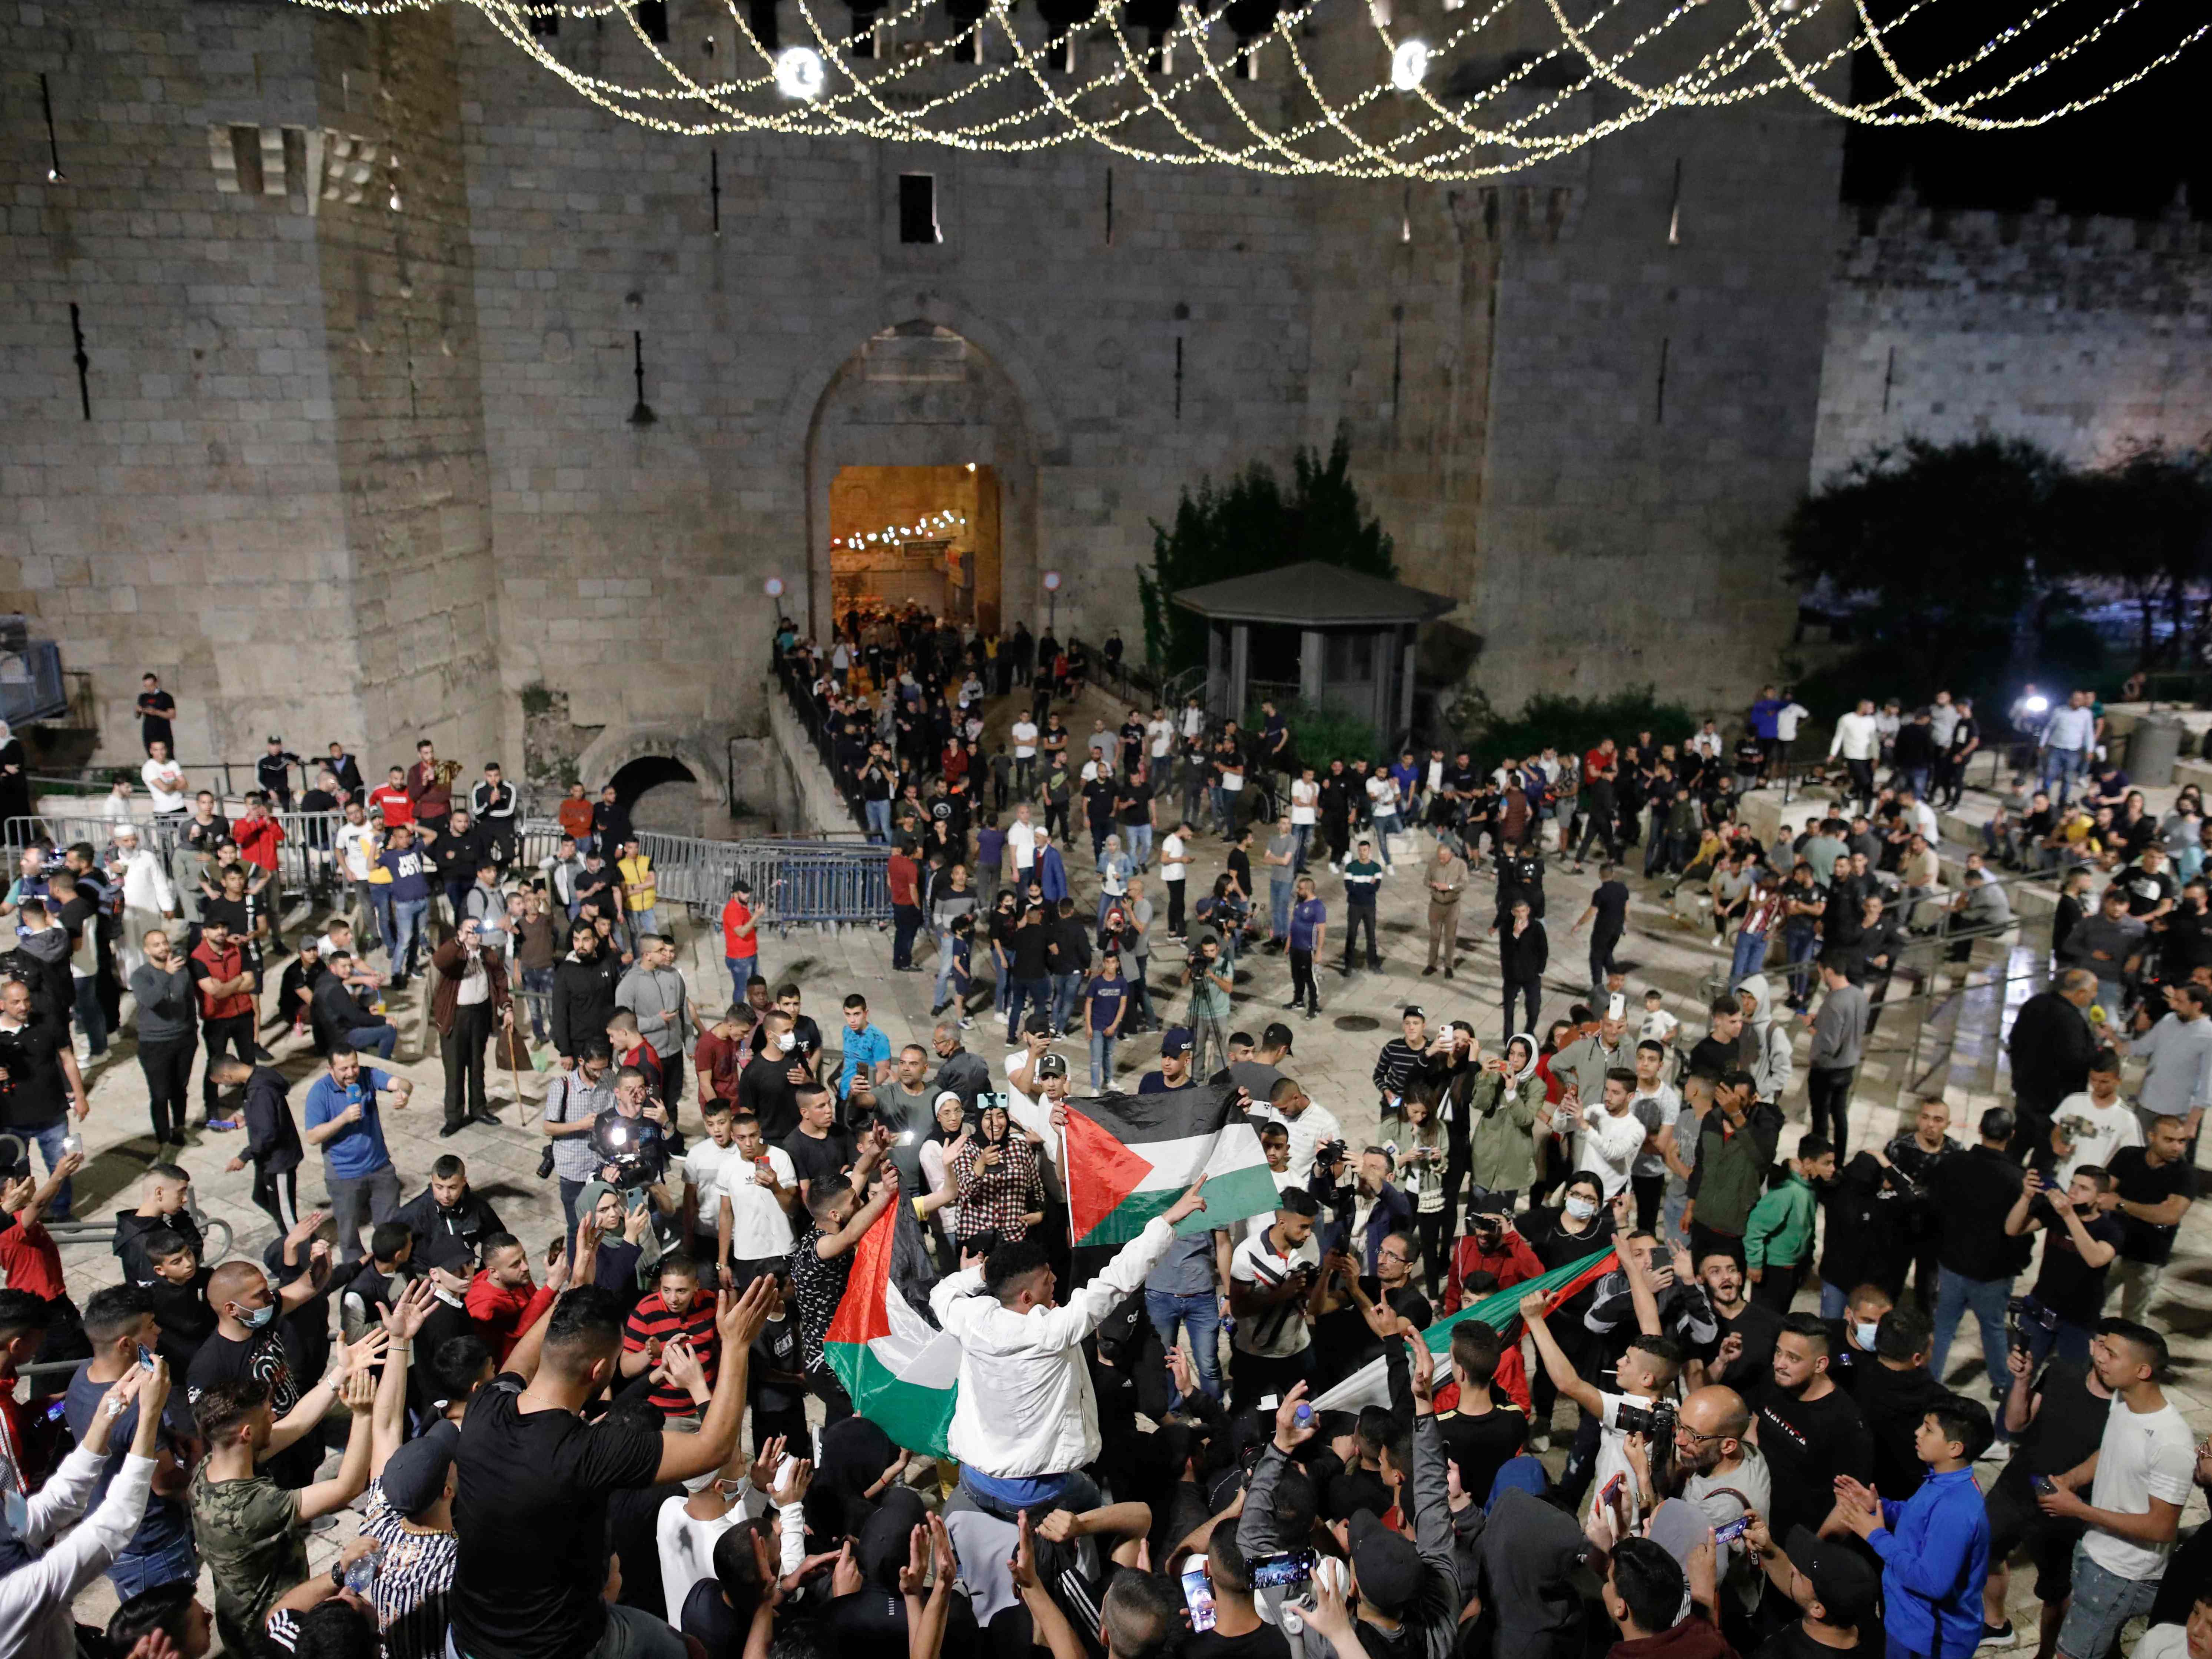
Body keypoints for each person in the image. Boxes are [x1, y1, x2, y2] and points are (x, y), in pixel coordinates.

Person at [450, 1276, 774, 1659]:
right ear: (600, 1370)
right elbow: (715, 1447)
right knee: (689, 1651)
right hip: (558, 1647)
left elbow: (520, 1358)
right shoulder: (588, 1451)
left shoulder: (485, 1405)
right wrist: (737, 1345)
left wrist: (572, 1297)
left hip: (466, 1637)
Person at [931, 1178, 1208, 1517]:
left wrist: (984, 1273)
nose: (1056, 1282)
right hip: (1033, 1492)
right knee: (1102, 1505)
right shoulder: (1052, 1330)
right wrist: (1166, 1222)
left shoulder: (971, 1317)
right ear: (1027, 1298)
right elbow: (1116, 1281)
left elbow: (941, 1293)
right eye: (1048, 1279)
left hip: (975, 1478)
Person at [190, 1359, 378, 1655]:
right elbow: (348, 1487)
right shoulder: (255, 1507)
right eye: (268, 1415)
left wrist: (341, 1372)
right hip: (271, 1632)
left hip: (236, 1619)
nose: (276, 1416)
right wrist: (364, 1415)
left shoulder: (210, 1468)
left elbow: (298, 1424)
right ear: (247, 1434)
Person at [0, 1355, 176, 1659]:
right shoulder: (11, 1600)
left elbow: (51, 1505)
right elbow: (110, 1529)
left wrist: (108, 1413)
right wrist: (148, 1415)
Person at [2040, 1323, 2195, 1659]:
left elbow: (2162, 1527)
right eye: (2101, 1348)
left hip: (2123, 1573)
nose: (2100, 1357)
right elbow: (2110, 1451)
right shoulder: (2123, 1402)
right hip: (2097, 1552)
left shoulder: (2171, 1443)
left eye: (2111, 1354)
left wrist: (2077, 1509)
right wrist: (2071, 1480)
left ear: (2143, 1370)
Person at [1831, 1394, 1993, 1659]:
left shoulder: (1957, 1509)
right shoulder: (1942, 1479)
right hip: (1908, 1623)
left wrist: (1876, 1536)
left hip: (1928, 1640)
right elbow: (1917, 1517)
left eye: (1929, 1430)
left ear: (1955, 1448)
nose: (1918, 1433)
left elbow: (1932, 1583)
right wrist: (1878, 1505)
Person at [1924, 1107, 2027, 1385]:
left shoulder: (1953, 1163)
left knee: (1943, 1326)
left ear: (1979, 1130)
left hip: (1952, 1264)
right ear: (2012, 1135)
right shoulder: (2018, 1179)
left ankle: (1930, 1381)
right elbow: (2022, 1231)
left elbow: (1934, 1207)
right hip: (1993, 1272)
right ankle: (2002, 1384)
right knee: (1993, 1328)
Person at [1757, 1314, 1875, 1545]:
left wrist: (1811, 1560)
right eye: (1779, 1352)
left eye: (1793, 1358)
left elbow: (1849, 1504)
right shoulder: (1775, 1381)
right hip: (1761, 1522)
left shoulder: (1847, 1425)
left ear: (1820, 1364)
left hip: (1800, 1540)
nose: (1780, 1363)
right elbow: (1755, 1424)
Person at [303, 1048, 414, 1263]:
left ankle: (392, 1271)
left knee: (390, 1230)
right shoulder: (319, 1092)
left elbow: (403, 1083)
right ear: (330, 1069)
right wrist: (343, 1119)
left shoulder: (367, 1075)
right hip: (344, 1175)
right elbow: (313, 1136)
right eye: (343, 1069)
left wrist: (404, 1092)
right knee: (348, 1235)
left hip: (380, 1167)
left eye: (354, 1066)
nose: (351, 1073)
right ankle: (357, 1278)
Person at [1741, 1517, 1884, 1659]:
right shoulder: (1868, 1625)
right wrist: (1768, 1550)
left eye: (1802, 1575)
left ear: (1817, 1610)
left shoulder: (1776, 1654)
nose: (1794, 1569)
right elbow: (1806, 1593)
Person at [2104, 1114, 2193, 1319]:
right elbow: (2102, 1195)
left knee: (2133, 1318)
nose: (2177, 1147)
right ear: (2152, 1137)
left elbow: (2170, 1216)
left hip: (2148, 1256)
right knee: (2091, 1306)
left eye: (2182, 1141)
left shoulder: (2185, 1174)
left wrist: (2121, 1204)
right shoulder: (2128, 1156)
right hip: (2111, 1246)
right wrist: (2152, 1211)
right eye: (2169, 1140)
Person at [432, 918, 512, 1136]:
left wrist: (507, 1008)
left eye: (477, 929)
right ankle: (454, 1117)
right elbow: (440, 961)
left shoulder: (488, 955)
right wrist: (460, 940)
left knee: (478, 1066)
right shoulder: (455, 952)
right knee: (455, 1069)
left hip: (480, 1014)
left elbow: (500, 980)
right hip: (456, 1017)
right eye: (470, 930)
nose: (474, 934)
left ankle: (479, 1109)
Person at [1744, 1134, 1831, 1312]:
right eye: (1827, 1163)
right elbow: (1755, 1227)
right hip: (1774, 1271)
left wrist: (1807, 1259)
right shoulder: (1787, 1192)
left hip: (1793, 1268)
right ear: (1808, 1163)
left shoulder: (1809, 1189)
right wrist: (1754, 1264)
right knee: (1765, 1321)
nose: (1833, 1169)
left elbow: (1808, 1228)